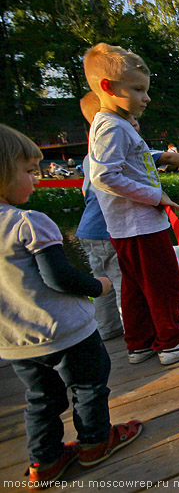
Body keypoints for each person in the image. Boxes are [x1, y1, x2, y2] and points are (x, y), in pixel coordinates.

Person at [0, 124, 142, 490]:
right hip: (66, 331)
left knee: (40, 400)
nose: (36, 180)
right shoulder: (28, 223)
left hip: (16, 342)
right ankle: (95, 442)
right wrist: (98, 286)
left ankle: (44, 461)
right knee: (89, 384)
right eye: (30, 172)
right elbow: (58, 277)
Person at [83, 42, 179, 366]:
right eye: (138, 90)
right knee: (164, 284)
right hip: (139, 224)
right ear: (108, 88)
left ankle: (138, 343)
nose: (146, 98)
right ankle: (171, 342)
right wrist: (157, 196)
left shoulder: (114, 125)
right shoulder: (112, 126)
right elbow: (103, 177)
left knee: (136, 288)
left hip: (126, 227)